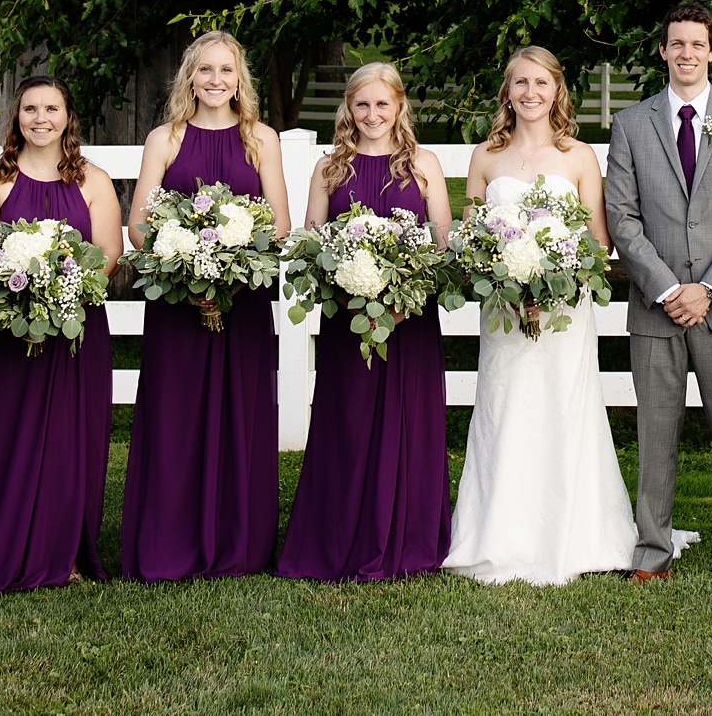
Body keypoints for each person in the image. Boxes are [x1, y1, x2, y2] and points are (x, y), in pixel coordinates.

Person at [444, 46, 637, 584]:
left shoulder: (578, 156)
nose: (530, 93)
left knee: (563, 407)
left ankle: (575, 536)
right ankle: (498, 536)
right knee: (505, 410)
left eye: (541, 83)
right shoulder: (484, 156)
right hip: (504, 314)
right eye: (520, 83)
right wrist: (508, 279)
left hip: (563, 316)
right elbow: (472, 241)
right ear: (507, 91)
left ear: (558, 91)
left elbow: (598, 242)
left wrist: (553, 284)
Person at [603, 1, 712, 587]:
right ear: (662, 51)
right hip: (656, 307)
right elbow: (622, 219)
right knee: (654, 436)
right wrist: (671, 288)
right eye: (676, 44)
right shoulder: (631, 125)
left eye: (697, 44)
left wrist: (708, 288)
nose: (686, 54)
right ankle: (653, 551)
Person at [119, 31, 292, 581]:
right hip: (177, 304)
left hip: (242, 303)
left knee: (240, 414)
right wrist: (186, 264)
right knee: (177, 417)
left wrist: (233, 260)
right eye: (205, 71)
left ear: (240, 78)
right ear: (188, 78)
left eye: (226, 71)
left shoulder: (261, 138)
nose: (216, 81)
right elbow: (141, 224)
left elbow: (281, 223)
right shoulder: (165, 138)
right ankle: (170, 542)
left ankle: (238, 544)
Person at [0, 76, 124, 595]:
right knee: (1, 438)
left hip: (75, 328)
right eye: (30, 109)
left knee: (71, 440)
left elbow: (110, 253)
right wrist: (27, 290)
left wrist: (61, 285)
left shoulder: (94, 179)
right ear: (16, 116)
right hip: (9, 330)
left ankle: (62, 554)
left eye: (51, 108)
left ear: (68, 117)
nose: (40, 118)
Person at [275, 61, 456, 581]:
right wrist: (351, 288)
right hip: (347, 320)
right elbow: (311, 241)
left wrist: (403, 295)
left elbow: (441, 244)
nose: (373, 114)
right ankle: (336, 538)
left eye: (383, 104)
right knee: (347, 423)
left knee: (408, 422)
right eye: (362, 104)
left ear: (399, 105)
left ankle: (409, 538)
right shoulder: (331, 168)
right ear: (348, 109)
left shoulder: (424, 164)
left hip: (409, 321)